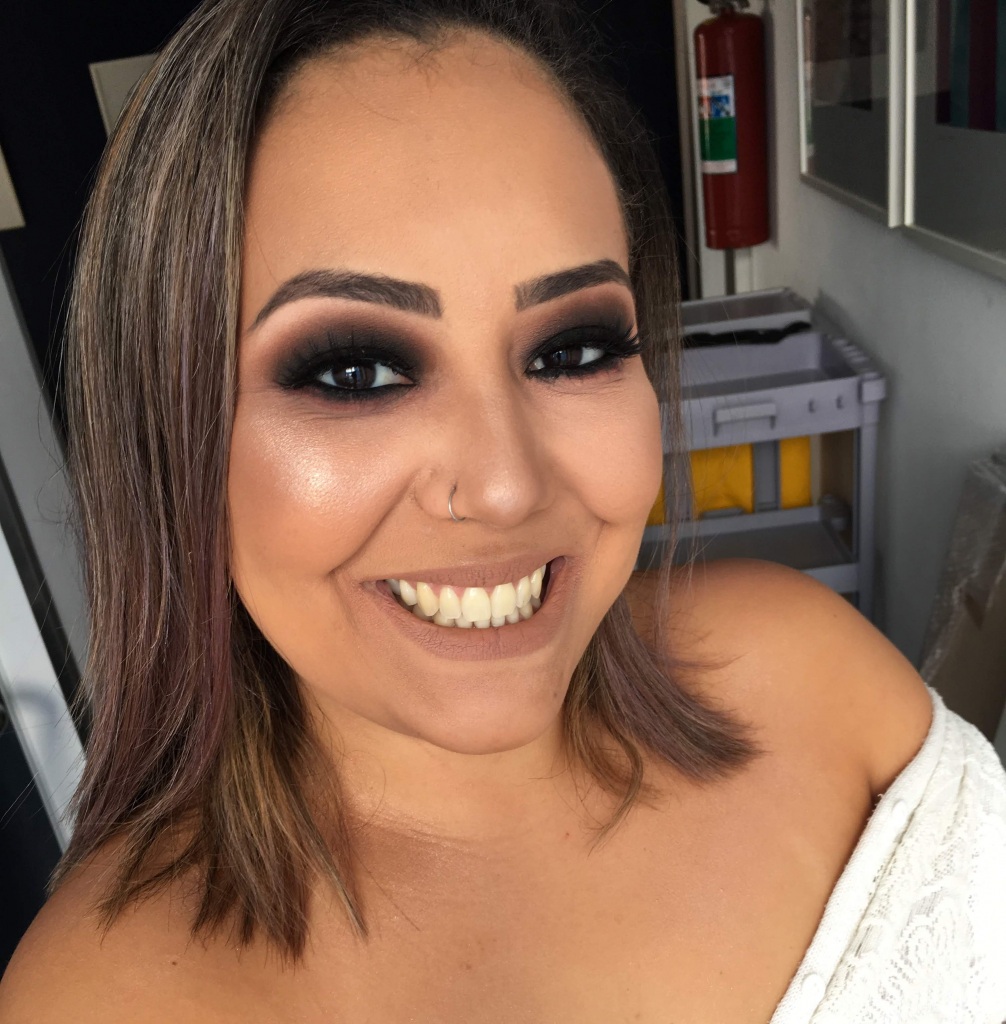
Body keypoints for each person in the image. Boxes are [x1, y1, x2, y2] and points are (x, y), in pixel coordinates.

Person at [1, 1, 1004, 1021]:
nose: (505, 486)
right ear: (171, 437)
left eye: (571, 350)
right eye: (354, 371)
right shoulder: (100, 998)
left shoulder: (807, 669)